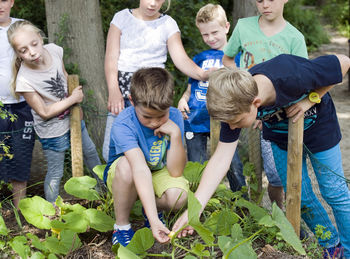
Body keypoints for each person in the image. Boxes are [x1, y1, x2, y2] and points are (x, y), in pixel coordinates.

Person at [173, 54, 350, 259]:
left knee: (334, 191)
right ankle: (332, 246)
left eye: (236, 122)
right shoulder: (233, 102)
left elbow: (344, 62)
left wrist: (309, 100)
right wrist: (194, 210)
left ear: (255, 102)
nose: (232, 128)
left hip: (320, 127)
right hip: (280, 136)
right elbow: (220, 159)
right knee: (300, 196)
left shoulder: (290, 74)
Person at [222, 0, 308, 208]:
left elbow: (302, 80)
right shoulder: (243, 26)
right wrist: (242, 81)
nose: (265, 5)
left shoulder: (294, 38)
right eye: (260, 1)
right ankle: (249, 211)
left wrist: (271, 111)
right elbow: (228, 59)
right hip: (246, 110)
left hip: (276, 115)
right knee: (246, 166)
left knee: (275, 173)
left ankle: (280, 214)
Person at [103, 0, 211, 162]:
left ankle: (155, 183)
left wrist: (203, 74)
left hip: (155, 94)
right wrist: (113, 90)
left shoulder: (168, 24)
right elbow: (111, 58)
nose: (153, 4)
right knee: (111, 150)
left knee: (155, 152)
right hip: (123, 92)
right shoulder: (121, 18)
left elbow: (180, 59)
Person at [7, 20, 101, 204]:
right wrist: (72, 100)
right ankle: (53, 210)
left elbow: (65, 77)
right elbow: (43, 111)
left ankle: (104, 191)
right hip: (52, 131)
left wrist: (76, 106)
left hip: (72, 117)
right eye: (23, 50)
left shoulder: (55, 51)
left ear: (40, 38)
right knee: (56, 171)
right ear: (17, 53)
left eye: (34, 44)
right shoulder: (25, 80)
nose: (32, 52)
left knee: (90, 153)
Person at [104, 67, 189, 247]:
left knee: (179, 196)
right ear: (132, 101)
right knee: (127, 165)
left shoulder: (175, 116)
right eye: (148, 117)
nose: (155, 122)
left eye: (161, 116)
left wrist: (175, 135)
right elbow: (139, 168)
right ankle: (122, 226)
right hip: (124, 175)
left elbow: (175, 171)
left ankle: (149, 208)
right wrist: (154, 220)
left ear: (171, 98)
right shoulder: (124, 123)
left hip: (156, 171)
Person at [177, 4, 245, 192]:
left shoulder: (236, 57)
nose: (210, 38)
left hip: (224, 121)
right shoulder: (199, 58)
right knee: (196, 169)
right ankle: (198, 210)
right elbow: (191, 87)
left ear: (227, 27)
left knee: (234, 166)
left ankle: (242, 208)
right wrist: (183, 99)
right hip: (195, 121)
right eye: (205, 35)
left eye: (214, 32)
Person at [0, 0, 35, 209]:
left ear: (12, 1)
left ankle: (21, 220)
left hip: (22, 105)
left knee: (20, 160)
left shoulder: (22, 27)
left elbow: (38, 59)